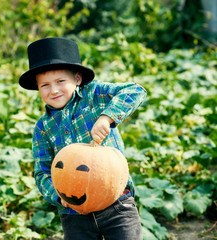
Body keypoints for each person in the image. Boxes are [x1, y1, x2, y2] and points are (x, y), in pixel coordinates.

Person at [19, 37, 146, 239]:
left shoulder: (94, 95)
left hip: (117, 203)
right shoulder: (43, 127)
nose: (53, 90)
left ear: (77, 78)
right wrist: (60, 197)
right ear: (37, 86)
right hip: (73, 212)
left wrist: (107, 117)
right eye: (45, 85)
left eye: (61, 81)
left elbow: (135, 90)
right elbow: (42, 171)